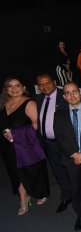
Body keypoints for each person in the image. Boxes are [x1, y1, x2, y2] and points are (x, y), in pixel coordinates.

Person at [53, 82, 81, 231]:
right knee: (76, 189)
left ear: (80, 93)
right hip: (71, 159)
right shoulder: (59, 115)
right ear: (64, 97)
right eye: (68, 93)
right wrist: (74, 154)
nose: (72, 95)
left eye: (74, 92)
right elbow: (60, 138)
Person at [0, 77, 49, 215]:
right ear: (6, 89)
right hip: (8, 146)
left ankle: (41, 192)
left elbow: (36, 124)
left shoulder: (29, 103)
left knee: (31, 171)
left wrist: (16, 134)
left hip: (27, 144)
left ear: (24, 88)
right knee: (15, 173)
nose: (14, 89)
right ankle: (23, 198)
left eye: (17, 85)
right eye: (10, 86)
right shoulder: (3, 103)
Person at [36, 73, 70, 212]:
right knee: (58, 171)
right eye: (41, 84)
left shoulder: (65, 95)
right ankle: (67, 196)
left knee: (73, 171)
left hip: (66, 143)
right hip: (49, 144)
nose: (44, 86)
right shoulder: (39, 99)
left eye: (47, 83)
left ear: (54, 82)